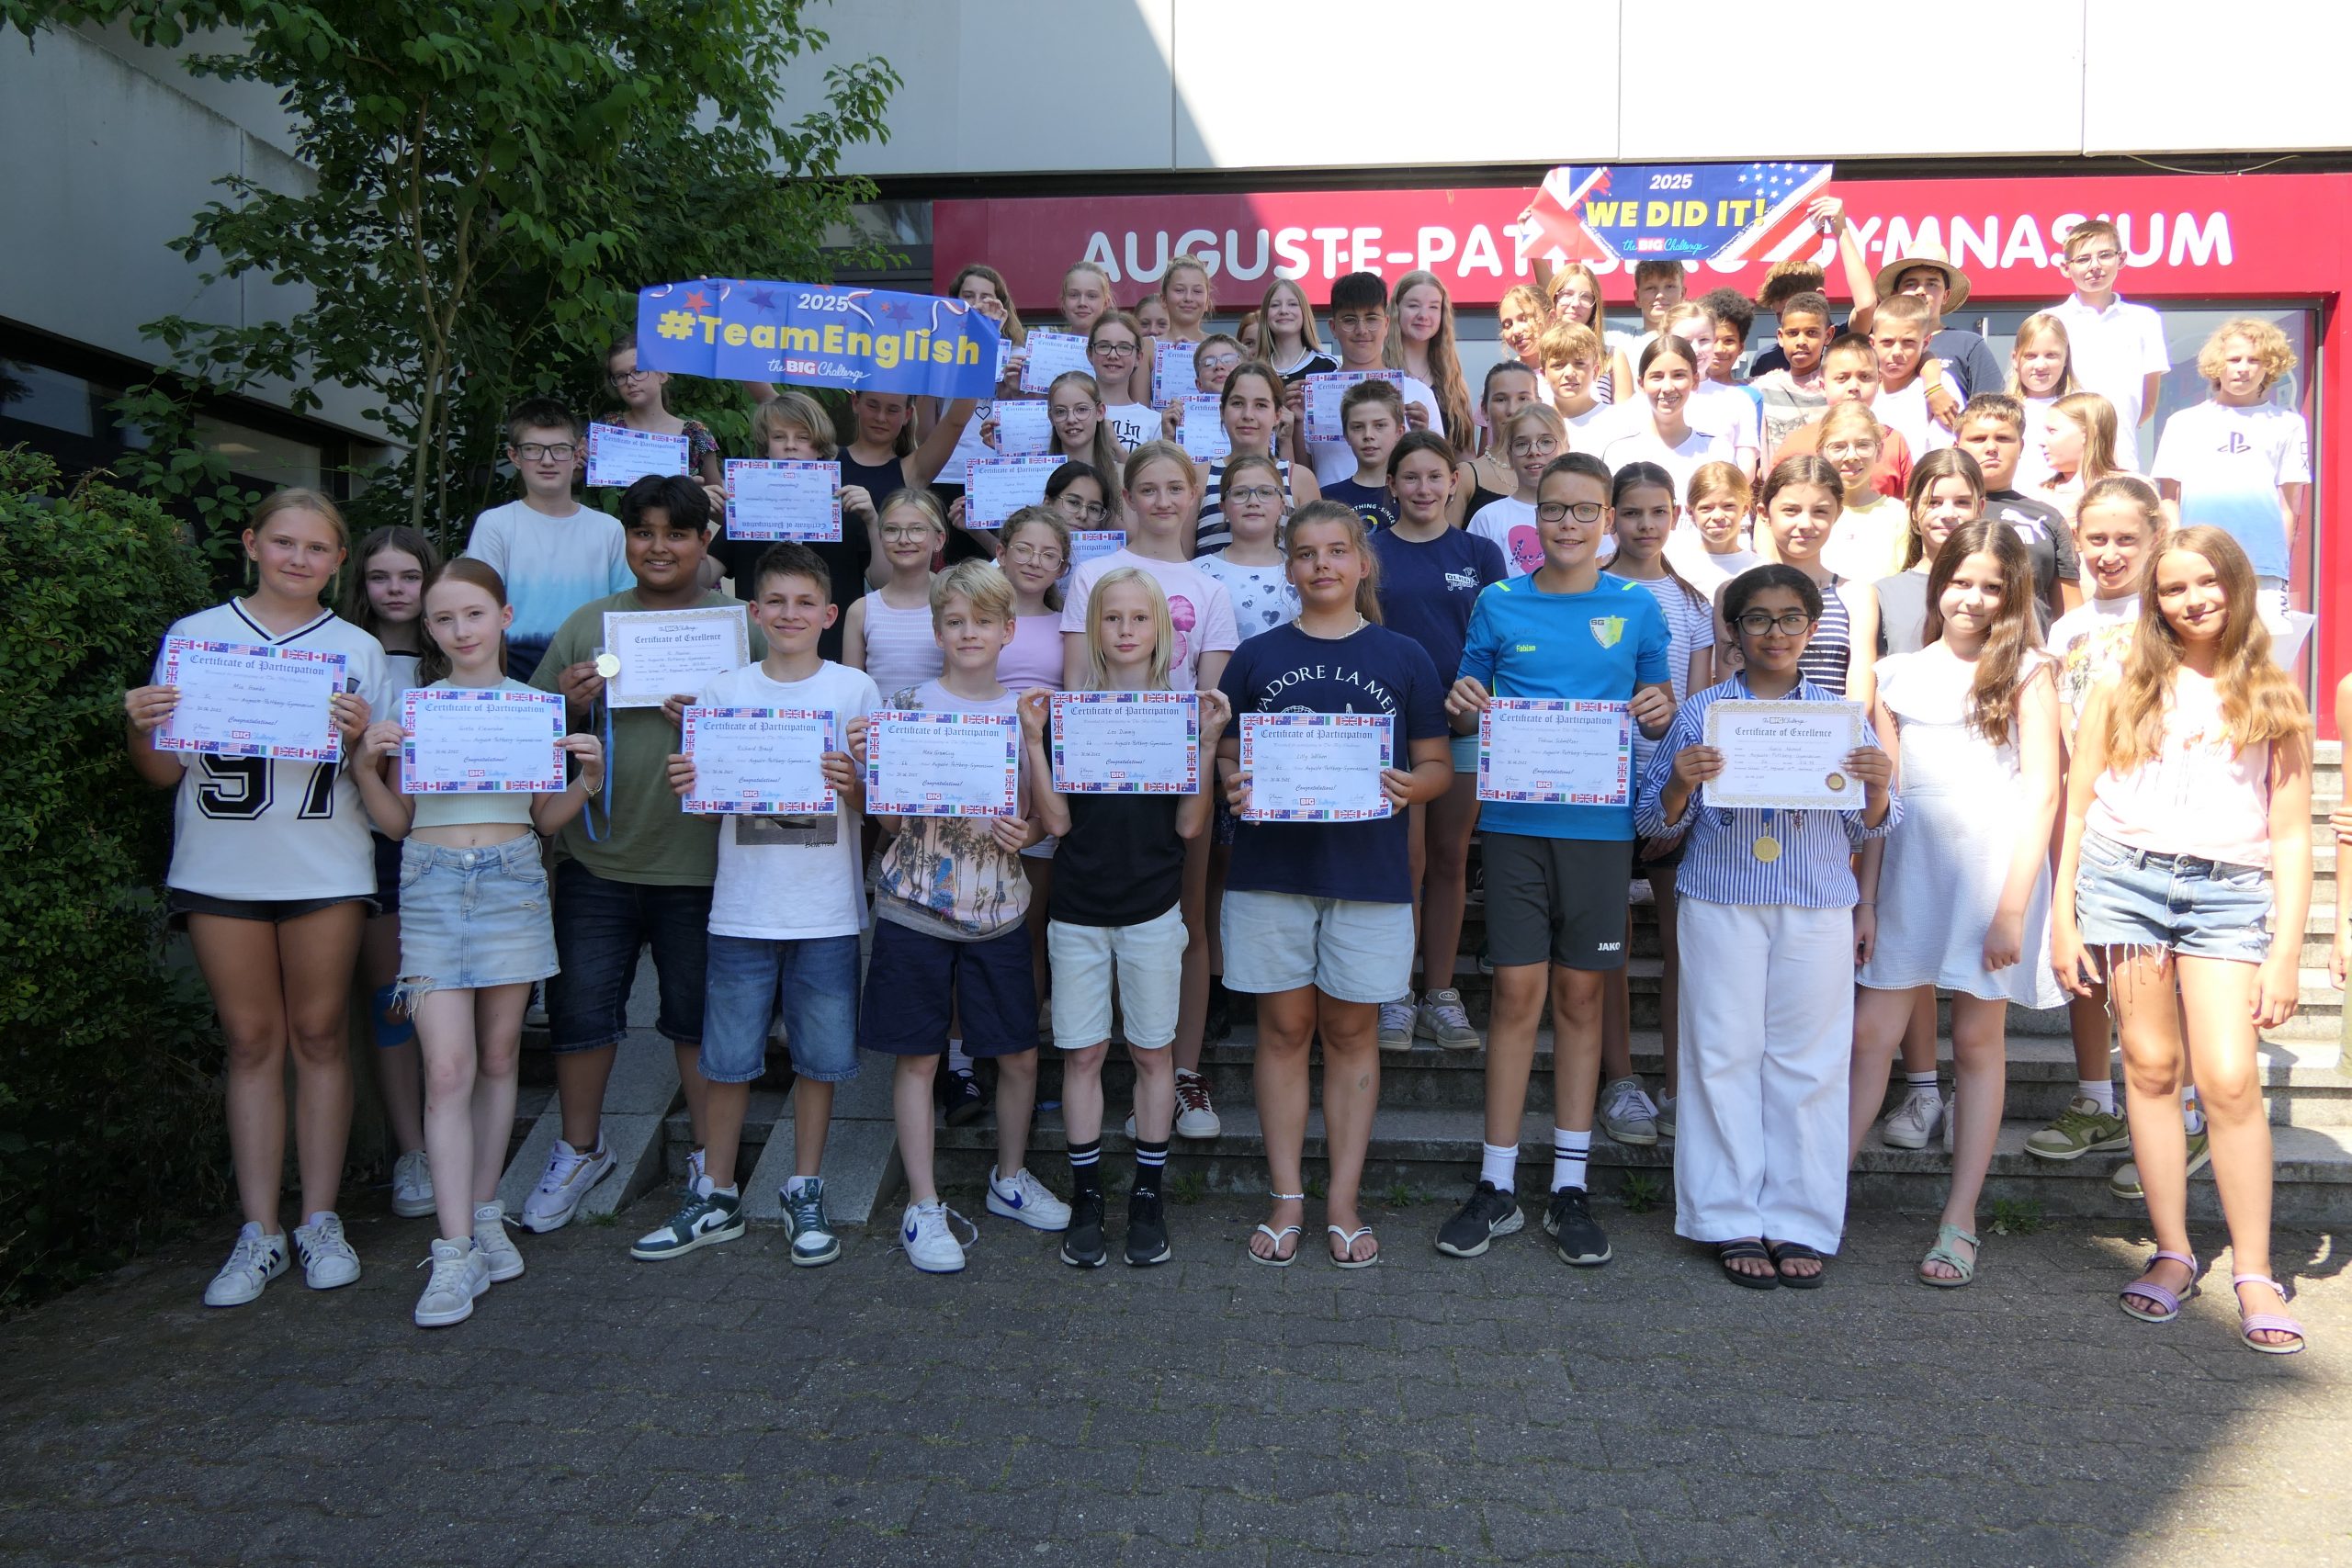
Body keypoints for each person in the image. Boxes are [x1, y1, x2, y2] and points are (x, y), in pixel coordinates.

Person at [123, 489, 390, 1307]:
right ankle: (258, 1229)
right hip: (222, 865)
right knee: (249, 1041)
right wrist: (139, 723)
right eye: (283, 542)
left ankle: (319, 1218)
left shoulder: (356, 647)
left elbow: (379, 777)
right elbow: (161, 771)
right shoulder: (195, 636)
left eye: (316, 547)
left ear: (338, 561)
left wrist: (363, 741)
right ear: (251, 544)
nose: (298, 558)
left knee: (319, 1034)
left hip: (325, 866)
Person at [2052, 526, 2311, 1354]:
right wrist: (2062, 917)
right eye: (2173, 588)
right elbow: (2078, 807)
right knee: (2152, 1066)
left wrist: (2285, 952)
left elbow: (2292, 831)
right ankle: (2172, 1251)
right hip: (2123, 883)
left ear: (2237, 584)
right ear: (2155, 601)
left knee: (2228, 1078)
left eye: (2208, 582)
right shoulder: (2121, 684)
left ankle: (2256, 1269)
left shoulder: (2273, 691)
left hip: (2228, 893)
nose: (2193, 599)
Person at [1435, 453, 1674, 1268]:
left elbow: (1657, 711)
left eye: (1583, 510)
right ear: (1533, 519)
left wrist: (1658, 708)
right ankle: (1496, 1183)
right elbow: (1464, 709)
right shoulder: (1499, 601)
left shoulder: (1636, 605)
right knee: (1514, 994)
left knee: (1579, 996)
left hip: (1601, 833)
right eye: (1553, 510)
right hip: (1512, 825)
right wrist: (1463, 703)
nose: (1567, 524)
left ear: (1607, 519)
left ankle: (1570, 1185)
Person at [351, 561, 602, 1325]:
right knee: (447, 1067)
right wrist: (366, 767)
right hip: (431, 883)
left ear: (504, 615)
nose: (460, 630)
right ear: (428, 628)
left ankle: (485, 1214)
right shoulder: (415, 708)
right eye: (444, 618)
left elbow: (543, 818)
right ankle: (452, 1248)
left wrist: (587, 780)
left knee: (498, 1058)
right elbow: (398, 822)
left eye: (473, 614)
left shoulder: (535, 707)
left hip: (512, 879)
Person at [1637, 565, 1898, 1287]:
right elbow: (1653, 822)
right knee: (1721, 1053)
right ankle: (1726, 1215)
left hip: (1817, 899)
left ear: (1812, 630)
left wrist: (1877, 787)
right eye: (1758, 618)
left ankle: (1799, 1218)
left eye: (1790, 619)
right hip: (1721, 896)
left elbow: (1873, 824)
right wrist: (1680, 780)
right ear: (1734, 630)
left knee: (1810, 1062)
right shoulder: (1704, 711)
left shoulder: (1839, 717)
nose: (1774, 633)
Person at [524, 476, 764, 1232]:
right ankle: (580, 1149)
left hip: (703, 862)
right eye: (643, 532)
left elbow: (785, 726)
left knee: (696, 1019)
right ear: (625, 539)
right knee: (580, 1012)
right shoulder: (589, 623)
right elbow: (525, 731)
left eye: (677, 533)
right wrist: (567, 704)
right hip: (598, 857)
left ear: (705, 542)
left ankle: (708, 1159)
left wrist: (719, 720)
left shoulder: (742, 627)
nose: (659, 547)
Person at [1219, 502, 1453, 1267]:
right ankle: (1287, 1196)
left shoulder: (1405, 655)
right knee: (1284, 1030)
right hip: (1272, 870)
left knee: (1352, 1033)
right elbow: (1229, 754)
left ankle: (1343, 1200)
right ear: (1289, 567)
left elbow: (1436, 765)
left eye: (1336, 551)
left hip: (1368, 874)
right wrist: (1234, 781)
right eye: (1306, 553)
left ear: (1362, 563)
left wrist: (1412, 787)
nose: (1321, 564)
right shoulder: (1255, 655)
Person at [636, 544, 878, 1266]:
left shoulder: (855, 689)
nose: (789, 614)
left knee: (820, 1060)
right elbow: (715, 805)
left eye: (805, 603)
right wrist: (694, 786)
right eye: (776, 601)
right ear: (754, 611)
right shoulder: (724, 691)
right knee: (728, 1058)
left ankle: (805, 1186)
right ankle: (716, 1192)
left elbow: (876, 802)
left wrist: (854, 783)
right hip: (742, 906)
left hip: (826, 909)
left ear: (829, 614)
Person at [1851, 524, 2064, 1287]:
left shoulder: (2031, 670)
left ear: (2014, 595)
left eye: (1992, 586)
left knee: (1977, 1041)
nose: (1972, 598)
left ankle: (1960, 1217)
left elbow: (2043, 792)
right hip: (1910, 868)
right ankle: (1818, 1195)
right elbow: (1883, 799)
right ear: (1937, 582)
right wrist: (1866, 899)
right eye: (1961, 581)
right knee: (1870, 1032)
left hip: (1991, 872)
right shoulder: (1895, 674)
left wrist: (2013, 907)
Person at [1020, 570, 1231, 1267]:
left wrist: (1207, 743)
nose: (1126, 630)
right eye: (1112, 618)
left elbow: (1192, 825)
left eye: (1140, 618)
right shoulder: (1070, 713)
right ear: (1095, 629)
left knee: (1151, 1053)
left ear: (1162, 630)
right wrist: (1033, 741)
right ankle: (1087, 1197)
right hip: (1078, 909)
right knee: (1082, 1054)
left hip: (1152, 909)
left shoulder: (1179, 713)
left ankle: (1147, 1195)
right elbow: (1055, 822)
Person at [864, 559, 1068, 1272]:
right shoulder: (906, 705)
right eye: (955, 621)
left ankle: (1009, 1177)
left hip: (999, 909)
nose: (969, 632)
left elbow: (1051, 821)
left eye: (983, 621)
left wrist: (1025, 828)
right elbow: (889, 822)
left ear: (1008, 630)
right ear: (937, 631)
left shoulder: (1025, 711)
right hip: (914, 905)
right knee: (920, 1056)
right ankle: (923, 1203)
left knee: (1018, 1052)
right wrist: (884, 779)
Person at [1061, 444, 1242, 1136]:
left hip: (1177, 776)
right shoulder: (1093, 574)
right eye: (1148, 488)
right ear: (1129, 498)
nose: (1163, 500)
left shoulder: (1210, 586)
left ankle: (1179, 1073)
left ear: (1195, 495)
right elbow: (1078, 685)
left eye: (1176, 487)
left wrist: (1195, 751)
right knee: (1098, 926)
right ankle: (1105, 1067)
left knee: (1183, 921)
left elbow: (1209, 698)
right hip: (1101, 777)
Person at [2027, 475, 2165, 1168]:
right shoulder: (2069, 627)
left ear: (2155, 538)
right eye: (2097, 539)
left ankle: (2175, 1112)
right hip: (2087, 811)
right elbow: (2060, 727)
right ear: (2076, 541)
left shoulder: (2167, 614)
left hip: (2156, 813)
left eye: (2126, 539)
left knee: (2153, 972)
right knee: (2084, 962)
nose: (2110, 553)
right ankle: (2095, 1100)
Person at [1370, 432, 1510, 1054]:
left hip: (1462, 723)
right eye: (1411, 477)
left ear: (1454, 482)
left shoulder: (1480, 551)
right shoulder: (1370, 550)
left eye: (1435, 477)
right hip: (1390, 728)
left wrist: (1474, 698)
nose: (1423, 488)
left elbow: (1496, 639)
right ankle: (1395, 993)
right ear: (1392, 485)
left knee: (1451, 858)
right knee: (1405, 860)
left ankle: (1441, 994)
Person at [1597, 463, 1715, 1144]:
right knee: (1610, 940)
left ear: (1676, 515)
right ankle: (1621, 1079)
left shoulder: (1695, 602)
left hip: (1671, 791)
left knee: (1680, 943)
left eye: (1658, 512)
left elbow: (1695, 707)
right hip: (1602, 788)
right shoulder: (1593, 588)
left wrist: (1678, 797)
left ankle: (1676, 1083)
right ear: (1611, 516)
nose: (1645, 525)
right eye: (1632, 512)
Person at [341, 525, 440, 1221]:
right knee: (393, 1001)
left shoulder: (457, 651)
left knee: (452, 997)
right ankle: (413, 1149)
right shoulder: (341, 655)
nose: (396, 590)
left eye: (410, 576)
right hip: (370, 846)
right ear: (361, 584)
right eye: (381, 577)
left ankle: (457, 1136)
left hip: (451, 845)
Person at [463, 398, 630, 682]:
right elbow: (477, 609)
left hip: (592, 671)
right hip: (514, 670)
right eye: (533, 449)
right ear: (514, 456)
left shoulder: (609, 529)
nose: (547, 460)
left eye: (560, 449)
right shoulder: (495, 525)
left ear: (578, 453)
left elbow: (624, 611)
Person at [708, 392, 884, 663]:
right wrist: (693, 519)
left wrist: (872, 521)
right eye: (779, 437)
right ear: (765, 447)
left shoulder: (848, 509)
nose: (790, 446)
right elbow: (701, 578)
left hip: (832, 658)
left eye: (803, 438)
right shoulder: (745, 511)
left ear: (820, 448)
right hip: (761, 661)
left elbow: (883, 582)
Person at [2151, 318, 2310, 607]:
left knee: (2265, 637)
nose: (2243, 368)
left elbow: (2288, 506)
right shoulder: (2183, 422)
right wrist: (2178, 549)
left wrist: (2280, 563)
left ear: (2270, 366)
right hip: (2199, 561)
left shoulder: (2289, 424)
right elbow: (2169, 499)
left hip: (2262, 566)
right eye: (2234, 359)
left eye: (2254, 360)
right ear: (2217, 363)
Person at [1849, 448, 1986, 710]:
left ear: (1980, 508)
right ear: (1912, 509)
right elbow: (1868, 691)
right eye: (1934, 502)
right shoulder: (1883, 595)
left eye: (1962, 502)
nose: (1948, 513)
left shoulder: (1998, 589)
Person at [2050, 219, 2169, 471]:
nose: (2095, 266)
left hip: (2121, 458)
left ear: (2121, 259)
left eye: (2105, 255)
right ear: (2066, 267)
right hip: (2060, 463)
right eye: (2083, 259)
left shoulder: (2145, 320)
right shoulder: (2050, 321)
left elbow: (2148, 404)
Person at [1742, 456, 1866, 699]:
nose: (1806, 523)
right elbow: (1728, 691)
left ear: (1837, 514)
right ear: (1764, 513)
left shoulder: (1855, 595)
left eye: (1820, 511)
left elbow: (1860, 699)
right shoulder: (1736, 592)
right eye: (1791, 510)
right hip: (1755, 722)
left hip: (1834, 723)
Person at [1301, 271, 1441, 485]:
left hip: (1396, 506)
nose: (1362, 330)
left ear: (1386, 324)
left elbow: (1437, 473)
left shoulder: (1419, 394)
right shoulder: (1312, 398)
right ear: (1333, 328)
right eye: (1349, 320)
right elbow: (1302, 475)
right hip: (1328, 506)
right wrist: (1294, 424)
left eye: (1372, 319)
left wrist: (1422, 435)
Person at [1952, 393, 2080, 620]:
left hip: (2030, 640)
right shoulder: (1940, 514)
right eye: (1978, 439)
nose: (1991, 447)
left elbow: (2071, 613)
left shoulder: (2047, 518)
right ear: (1957, 446)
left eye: (2003, 438)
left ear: (2021, 447)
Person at [1189, 360, 1319, 558]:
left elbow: (1312, 554)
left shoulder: (1300, 479)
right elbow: (1182, 558)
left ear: (1277, 415)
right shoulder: (1198, 477)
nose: (1248, 415)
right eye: (1237, 403)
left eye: (1260, 405)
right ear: (1222, 411)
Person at [835, 389, 981, 560]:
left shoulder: (913, 469)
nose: (881, 418)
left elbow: (956, 422)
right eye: (872, 406)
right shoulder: (825, 460)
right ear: (855, 403)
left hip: (886, 576)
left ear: (908, 414)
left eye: (892, 410)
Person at [1767, 334, 1913, 502]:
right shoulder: (1797, 444)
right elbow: (1774, 506)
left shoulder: (1893, 441)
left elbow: (1909, 506)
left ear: (1879, 380)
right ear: (1823, 385)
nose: (1854, 387)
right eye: (1842, 378)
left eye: (1865, 377)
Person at [1862, 243, 2004, 405]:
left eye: (1932, 284)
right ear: (1895, 295)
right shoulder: (1875, 346)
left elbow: (1993, 408)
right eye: (1911, 283)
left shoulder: (1969, 345)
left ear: (1946, 295)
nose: (1921, 291)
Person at [1598, 335, 1735, 501]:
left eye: (1678, 375)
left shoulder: (1717, 450)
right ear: (1641, 384)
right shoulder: (1619, 452)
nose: (1667, 387)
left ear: (1695, 380)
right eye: (1657, 376)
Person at [842, 490, 950, 699]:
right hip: (878, 719)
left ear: (939, 540)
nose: (903, 540)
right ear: (880, 538)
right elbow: (851, 692)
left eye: (917, 529)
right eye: (892, 530)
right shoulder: (861, 611)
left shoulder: (953, 604)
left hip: (937, 718)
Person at [603, 333, 724, 493]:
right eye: (620, 376)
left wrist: (698, 498)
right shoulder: (605, 430)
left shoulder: (696, 434)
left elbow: (719, 501)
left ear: (662, 374)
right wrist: (577, 463)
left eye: (637, 371)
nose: (630, 382)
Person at [1195, 453, 1299, 639]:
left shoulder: (1302, 573)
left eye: (1265, 492)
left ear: (1281, 505)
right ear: (1223, 507)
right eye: (1240, 493)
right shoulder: (1198, 573)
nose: (1253, 502)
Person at [1810, 402, 1909, 585]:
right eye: (1838, 447)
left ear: (1879, 451)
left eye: (1863, 445)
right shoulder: (1811, 513)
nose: (1851, 456)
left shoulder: (1898, 515)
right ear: (1821, 452)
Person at [1468, 403, 1566, 579]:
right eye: (1522, 444)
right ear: (1509, 455)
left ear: (1565, 447)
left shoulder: (1581, 514)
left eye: (1546, 442)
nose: (1534, 451)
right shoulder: (1488, 518)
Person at [1860, 293, 1957, 457]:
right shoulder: (1860, 388)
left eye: (1908, 342)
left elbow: (1945, 454)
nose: (1897, 352)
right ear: (1872, 343)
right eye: (1887, 342)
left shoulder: (1941, 386)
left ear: (1925, 343)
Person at [1387, 269, 1474, 450]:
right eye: (1413, 305)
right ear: (1396, 310)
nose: (1423, 315)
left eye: (1433, 307)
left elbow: (1465, 455)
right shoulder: (1379, 373)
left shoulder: (1454, 385)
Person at [1665, 461, 1760, 613]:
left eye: (1728, 506)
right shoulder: (1674, 569)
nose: (1717, 516)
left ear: (1745, 509)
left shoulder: (1761, 568)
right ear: (1690, 512)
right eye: (1706, 508)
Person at [1747, 291, 1835, 453]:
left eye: (1811, 333)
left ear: (1828, 335)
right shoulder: (1765, 386)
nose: (1801, 341)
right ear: (1781, 337)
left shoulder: (1836, 387)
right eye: (1793, 333)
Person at [2007, 311, 2080, 492]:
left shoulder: (2082, 410)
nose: (2040, 365)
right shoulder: (2002, 412)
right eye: (2030, 356)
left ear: (2066, 358)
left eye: (2051, 355)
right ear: (2015, 359)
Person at [1320, 378, 1407, 530]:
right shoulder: (1327, 499)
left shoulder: (1413, 495)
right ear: (1346, 435)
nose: (1368, 435)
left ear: (1399, 432)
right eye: (1358, 427)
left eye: (1379, 425)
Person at [1461, 360, 1543, 519]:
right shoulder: (1467, 475)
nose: (1512, 410)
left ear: (1538, 405)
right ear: (1484, 410)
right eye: (1500, 399)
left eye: (1523, 398)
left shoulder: (1558, 473)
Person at [2036, 390, 2124, 522]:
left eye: (2052, 431)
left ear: (2087, 433)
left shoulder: (2128, 491)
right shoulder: (2039, 497)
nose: (2041, 442)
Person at [1087, 312, 1159, 450]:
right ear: (1090, 354)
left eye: (1124, 347)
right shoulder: (1072, 413)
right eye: (1104, 346)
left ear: (1138, 358)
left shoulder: (1155, 422)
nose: (1113, 355)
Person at [1259, 277, 1339, 383]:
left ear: (1304, 312)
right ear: (1265, 315)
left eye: (1292, 304)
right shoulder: (1254, 371)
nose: (1283, 311)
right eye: (1275, 305)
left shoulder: (1328, 365)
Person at [1496, 282, 1550, 376]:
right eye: (1508, 325)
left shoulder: (1570, 370)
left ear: (1550, 318)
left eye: (1524, 319)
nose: (1516, 331)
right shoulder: (1504, 378)